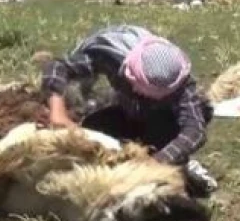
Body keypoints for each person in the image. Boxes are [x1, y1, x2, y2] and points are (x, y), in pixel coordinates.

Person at [40, 24, 218, 197]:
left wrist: (155, 161)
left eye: (150, 94)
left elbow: (194, 131)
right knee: (90, 128)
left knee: (167, 137)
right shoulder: (114, 57)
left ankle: (183, 166)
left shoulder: (180, 81)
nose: (139, 93)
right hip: (127, 112)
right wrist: (58, 113)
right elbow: (57, 67)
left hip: (161, 126)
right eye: (137, 88)